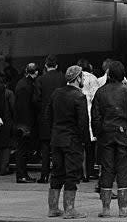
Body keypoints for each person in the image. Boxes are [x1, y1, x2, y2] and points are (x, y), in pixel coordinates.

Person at [91, 60, 127, 218]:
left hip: (105, 135)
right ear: (123, 75)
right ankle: (124, 209)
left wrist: (99, 133)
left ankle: (105, 209)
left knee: (107, 170)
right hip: (123, 134)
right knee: (123, 170)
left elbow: (95, 117)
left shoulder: (100, 92)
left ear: (109, 75)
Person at [47, 65, 89, 220]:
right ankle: (69, 209)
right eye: (82, 77)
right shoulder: (79, 96)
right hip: (72, 140)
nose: (83, 79)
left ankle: (53, 208)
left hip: (56, 138)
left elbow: (48, 116)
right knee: (72, 174)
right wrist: (84, 141)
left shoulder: (56, 93)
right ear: (77, 78)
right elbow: (83, 122)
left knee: (57, 172)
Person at [36, 56, 65, 184]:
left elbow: (36, 99)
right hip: (60, 117)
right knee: (59, 148)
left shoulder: (40, 79)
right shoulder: (63, 78)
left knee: (45, 148)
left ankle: (44, 175)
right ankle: (59, 174)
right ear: (57, 66)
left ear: (46, 66)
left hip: (44, 118)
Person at [13, 62, 39, 183]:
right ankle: (22, 175)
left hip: (21, 122)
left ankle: (22, 174)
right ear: (36, 72)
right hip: (24, 123)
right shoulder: (26, 85)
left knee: (22, 149)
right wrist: (26, 126)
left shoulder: (22, 83)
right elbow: (25, 106)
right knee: (22, 150)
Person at [78, 59, 99, 183]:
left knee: (80, 145)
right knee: (90, 145)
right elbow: (96, 96)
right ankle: (90, 171)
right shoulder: (92, 77)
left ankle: (81, 172)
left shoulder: (75, 77)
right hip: (90, 111)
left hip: (78, 112)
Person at [0, 73, 14, 175]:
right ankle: (3, 168)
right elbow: (13, 108)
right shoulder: (9, 93)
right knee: (6, 147)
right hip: (6, 121)